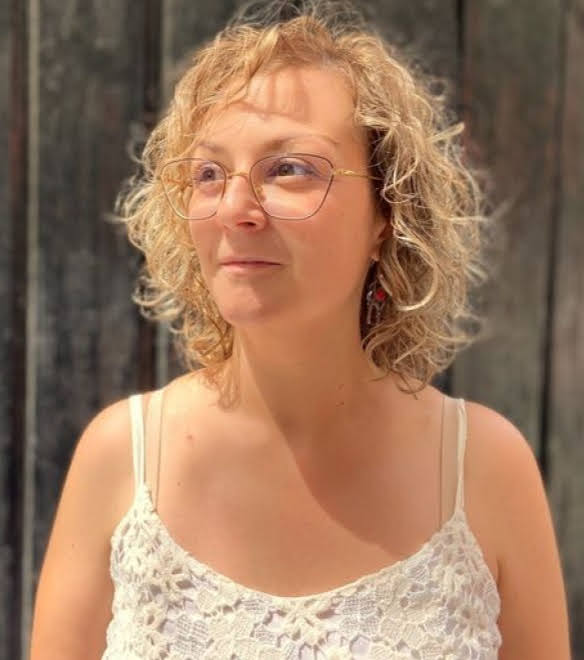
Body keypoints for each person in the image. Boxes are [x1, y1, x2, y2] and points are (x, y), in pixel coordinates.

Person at [29, 0, 571, 658]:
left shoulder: (485, 468)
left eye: (288, 168)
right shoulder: (120, 458)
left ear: (387, 214)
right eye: (208, 174)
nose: (235, 208)